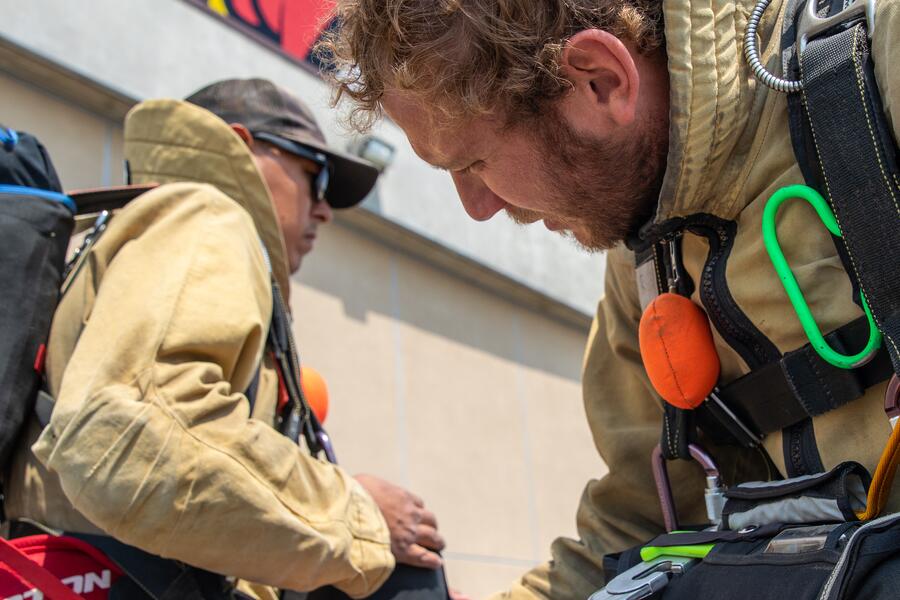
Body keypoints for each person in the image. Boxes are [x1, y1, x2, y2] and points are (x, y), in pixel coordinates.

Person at [319, 0, 900, 598]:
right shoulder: (649, 265)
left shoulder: (876, 66)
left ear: (602, 80)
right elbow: (638, 526)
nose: (477, 207)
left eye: (473, 162)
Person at [4, 78, 449, 598]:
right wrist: (359, 515)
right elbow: (134, 433)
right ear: (240, 144)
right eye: (317, 175)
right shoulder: (204, 216)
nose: (324, 209)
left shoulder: (132, 229)